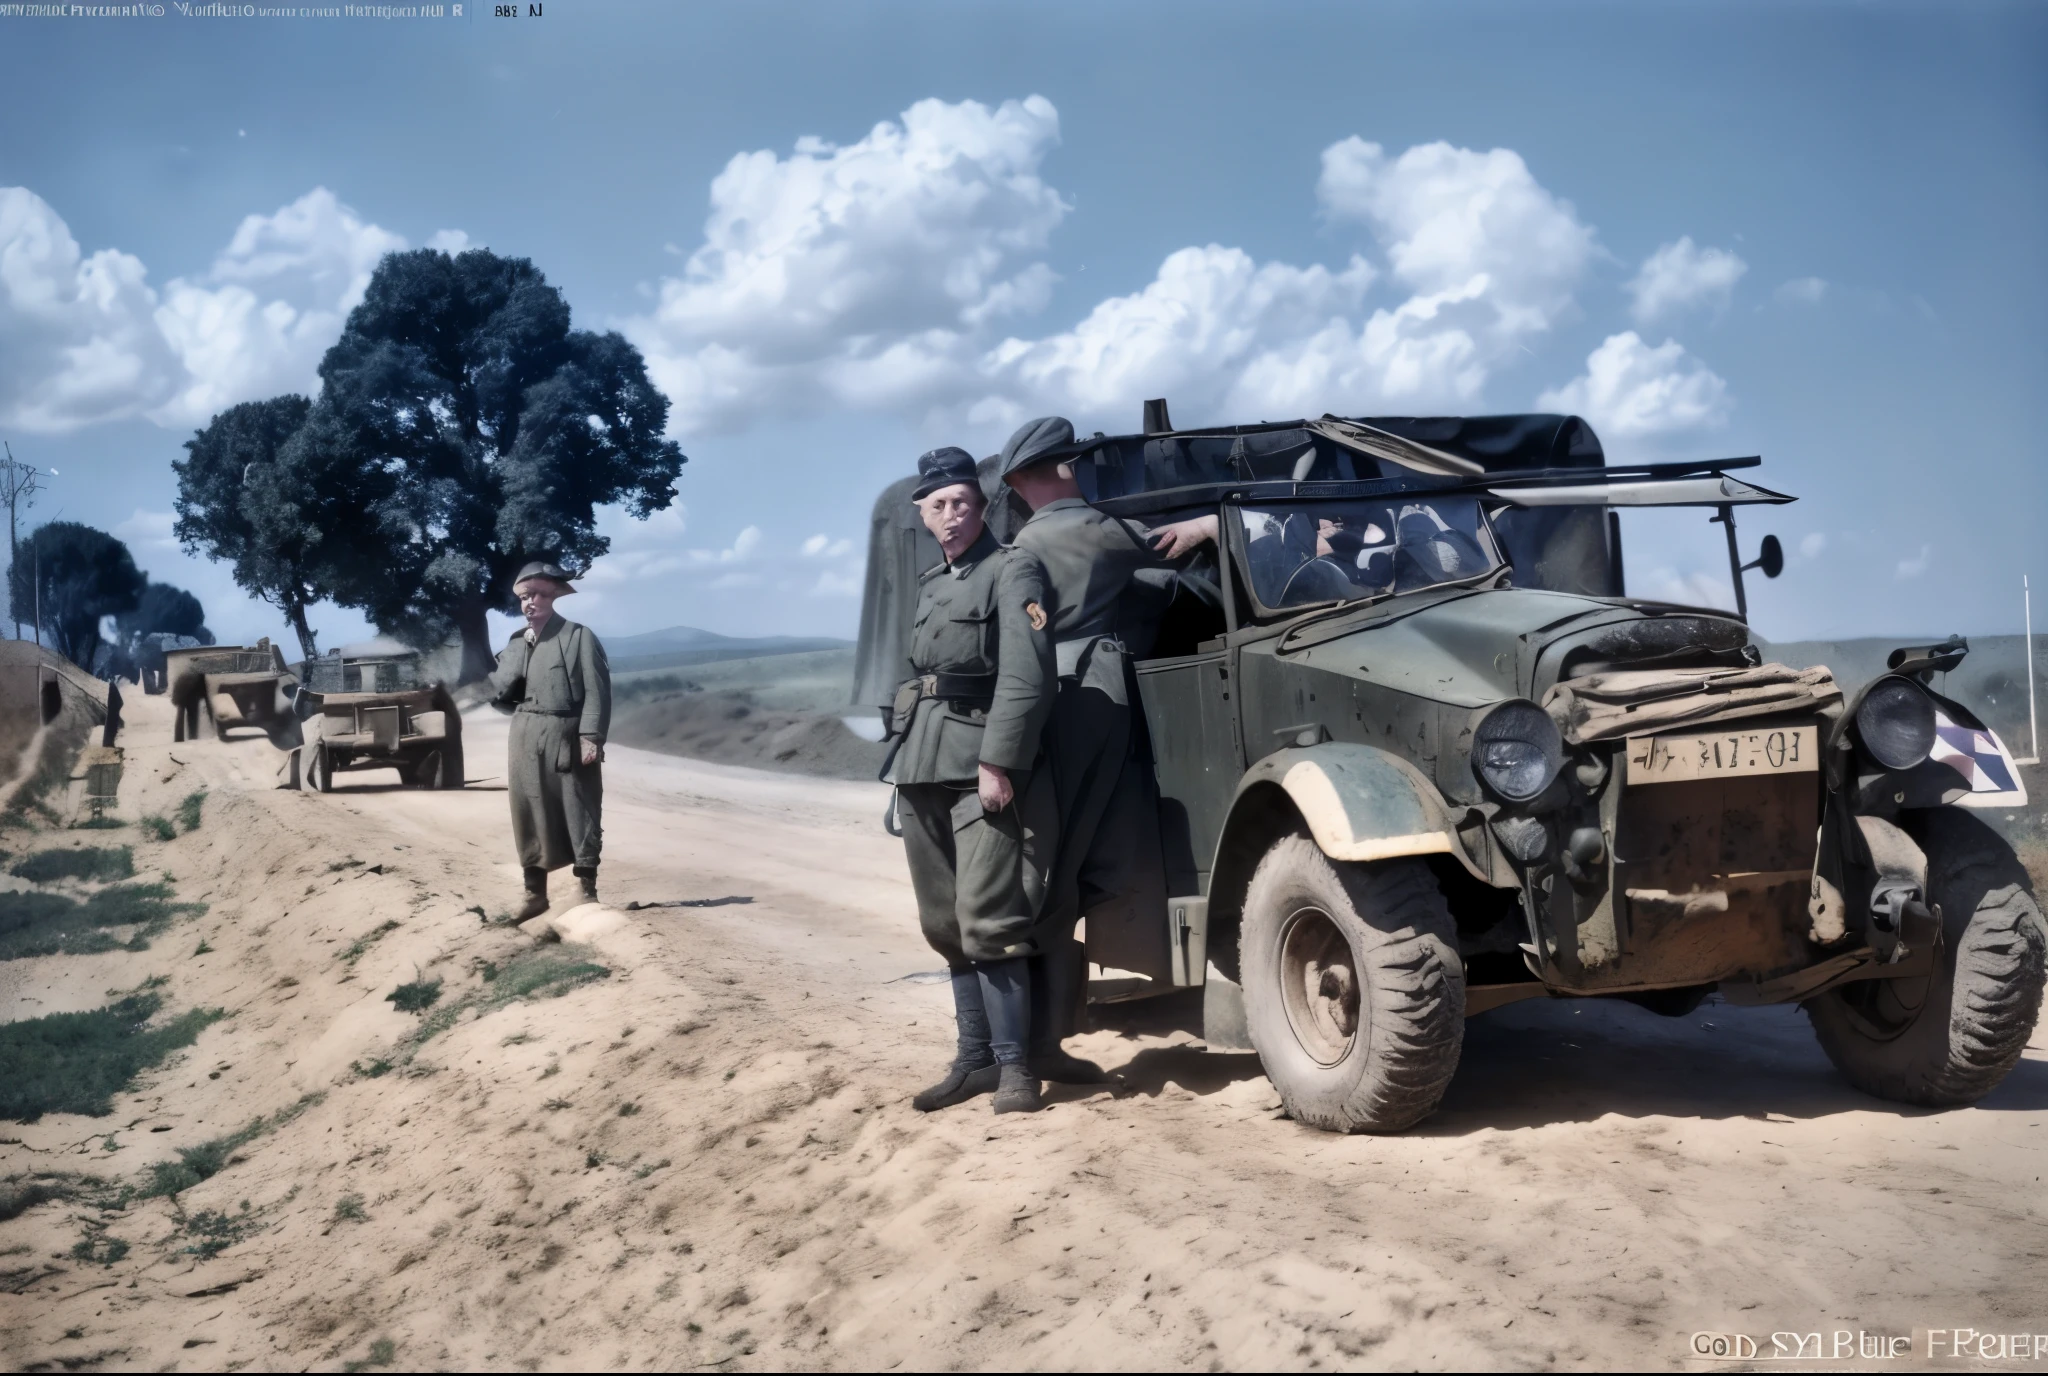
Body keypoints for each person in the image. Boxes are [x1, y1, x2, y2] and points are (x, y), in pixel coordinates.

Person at [996, 416, 1217, 1081]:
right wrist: (1212, 525)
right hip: (1095, 698)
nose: (1077, 472)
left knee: (1049, 873)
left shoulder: (1020, 548)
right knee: (1073, 871)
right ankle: (1042, 1047)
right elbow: (1167, 545)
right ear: (1057, 471)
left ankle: (1030, 1046)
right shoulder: (1089, 528)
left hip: (1041, 713)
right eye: (1068, 463)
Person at [887, 446, 1057, 1115]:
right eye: (938, 505)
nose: (952, 514)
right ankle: (974, 1060)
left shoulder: (1013, 570)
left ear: (982, 507)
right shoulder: (932, 583)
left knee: (989, 919)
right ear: (923, 515)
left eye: (963, 501)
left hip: (978, 767)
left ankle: (1017, 1070)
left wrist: (1000, 761)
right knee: (942, 921)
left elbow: (1027, 673)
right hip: (922, 763)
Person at [490, 560, 611, 921]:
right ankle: (534, 894)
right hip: (525, 734)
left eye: (539, 595)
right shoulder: (516, 642)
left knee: (580, 807)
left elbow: (598, 692)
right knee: (528, 810)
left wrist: (591, 736)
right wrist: (517, 654)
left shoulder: (578, 636)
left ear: (554, 595)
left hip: (568, 734)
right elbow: (500, 697)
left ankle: (586, 889)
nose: (531, 602)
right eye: (525, 597)